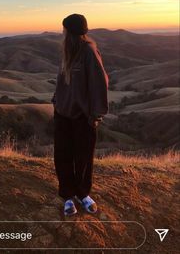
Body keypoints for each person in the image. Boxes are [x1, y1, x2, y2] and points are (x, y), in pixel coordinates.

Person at [52, 14, 109, 216]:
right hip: (63, 114)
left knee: (83, 157)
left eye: (64, 29)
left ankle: (83, 194)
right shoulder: (67, 52)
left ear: (71, 32)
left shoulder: (88, 52)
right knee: (62, 156)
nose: (62, 33)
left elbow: (99, 83)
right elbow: (61, 82)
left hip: (83, 117)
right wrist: (56, 101)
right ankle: (67, 196)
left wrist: (96, 114)